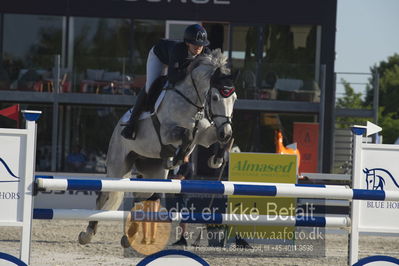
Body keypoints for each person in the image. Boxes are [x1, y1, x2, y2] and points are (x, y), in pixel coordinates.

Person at [121, 24, 211, 140]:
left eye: (201, 45)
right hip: (159, 57)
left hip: (176, 64)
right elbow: (172, 77)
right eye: (195, 44)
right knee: (150, 86)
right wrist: (189, 70)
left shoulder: (205, 54)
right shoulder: (178, 50)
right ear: (187, 43)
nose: (199, 47)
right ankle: (131, 124)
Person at [170, 155, 194, 246]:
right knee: (182, 216)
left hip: (183, 194)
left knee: (183, 216)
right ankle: (182, 238)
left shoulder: (186, 166)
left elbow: (179, 178)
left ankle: (183, 238)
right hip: (182, 193)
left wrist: (169, 180)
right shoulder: (184, 165)